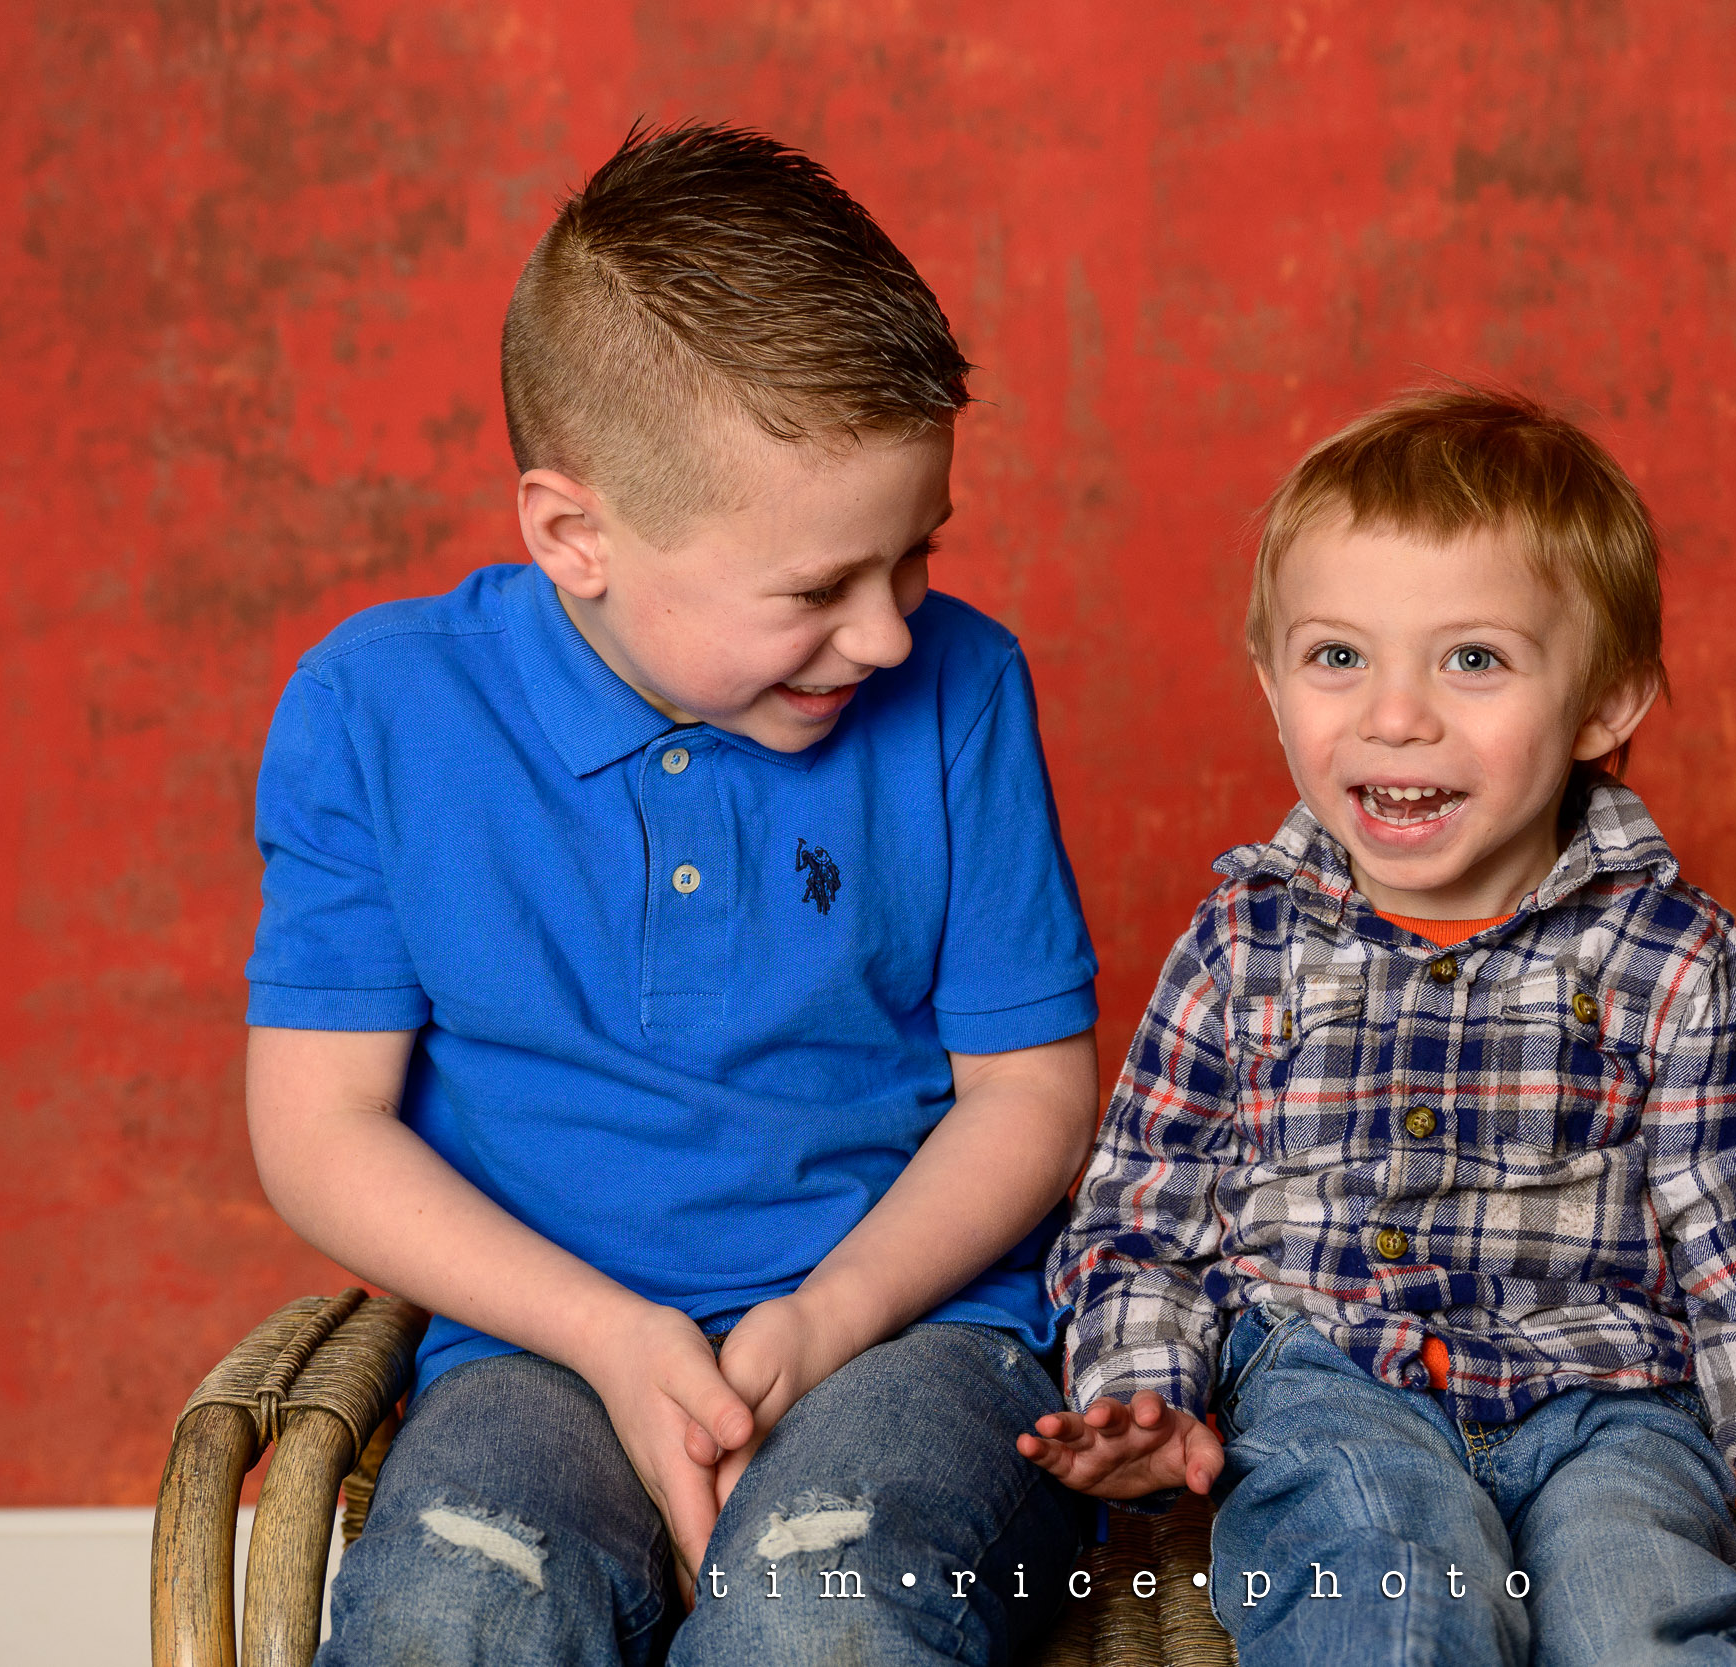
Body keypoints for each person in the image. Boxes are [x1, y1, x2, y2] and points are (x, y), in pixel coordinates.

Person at [245, 121, 1101, 1666]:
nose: (888, 634)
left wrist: (827, 1316)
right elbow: (320, 1127)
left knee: (819, 1616)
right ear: (575, 534)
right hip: (533, 1349)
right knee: (454, 1609)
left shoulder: (962, 686)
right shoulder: (377, 710)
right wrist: (609, 1332)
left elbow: (1030, 1091)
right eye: (816, 589)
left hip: (914, 1333)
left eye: (914, 557)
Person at [1022, 389, 1736, 1667]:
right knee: (1389, 1591)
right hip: (1331, 1387)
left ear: (1604, 704)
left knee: (1640, 1608)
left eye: (1473, 659)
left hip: (1612, 1404)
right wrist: (1141, 1392)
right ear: (1270, 683)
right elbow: (1141, 1212)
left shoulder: (1666, 958)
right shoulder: (1242, 943)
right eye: (1339, 657)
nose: (1395, 715)